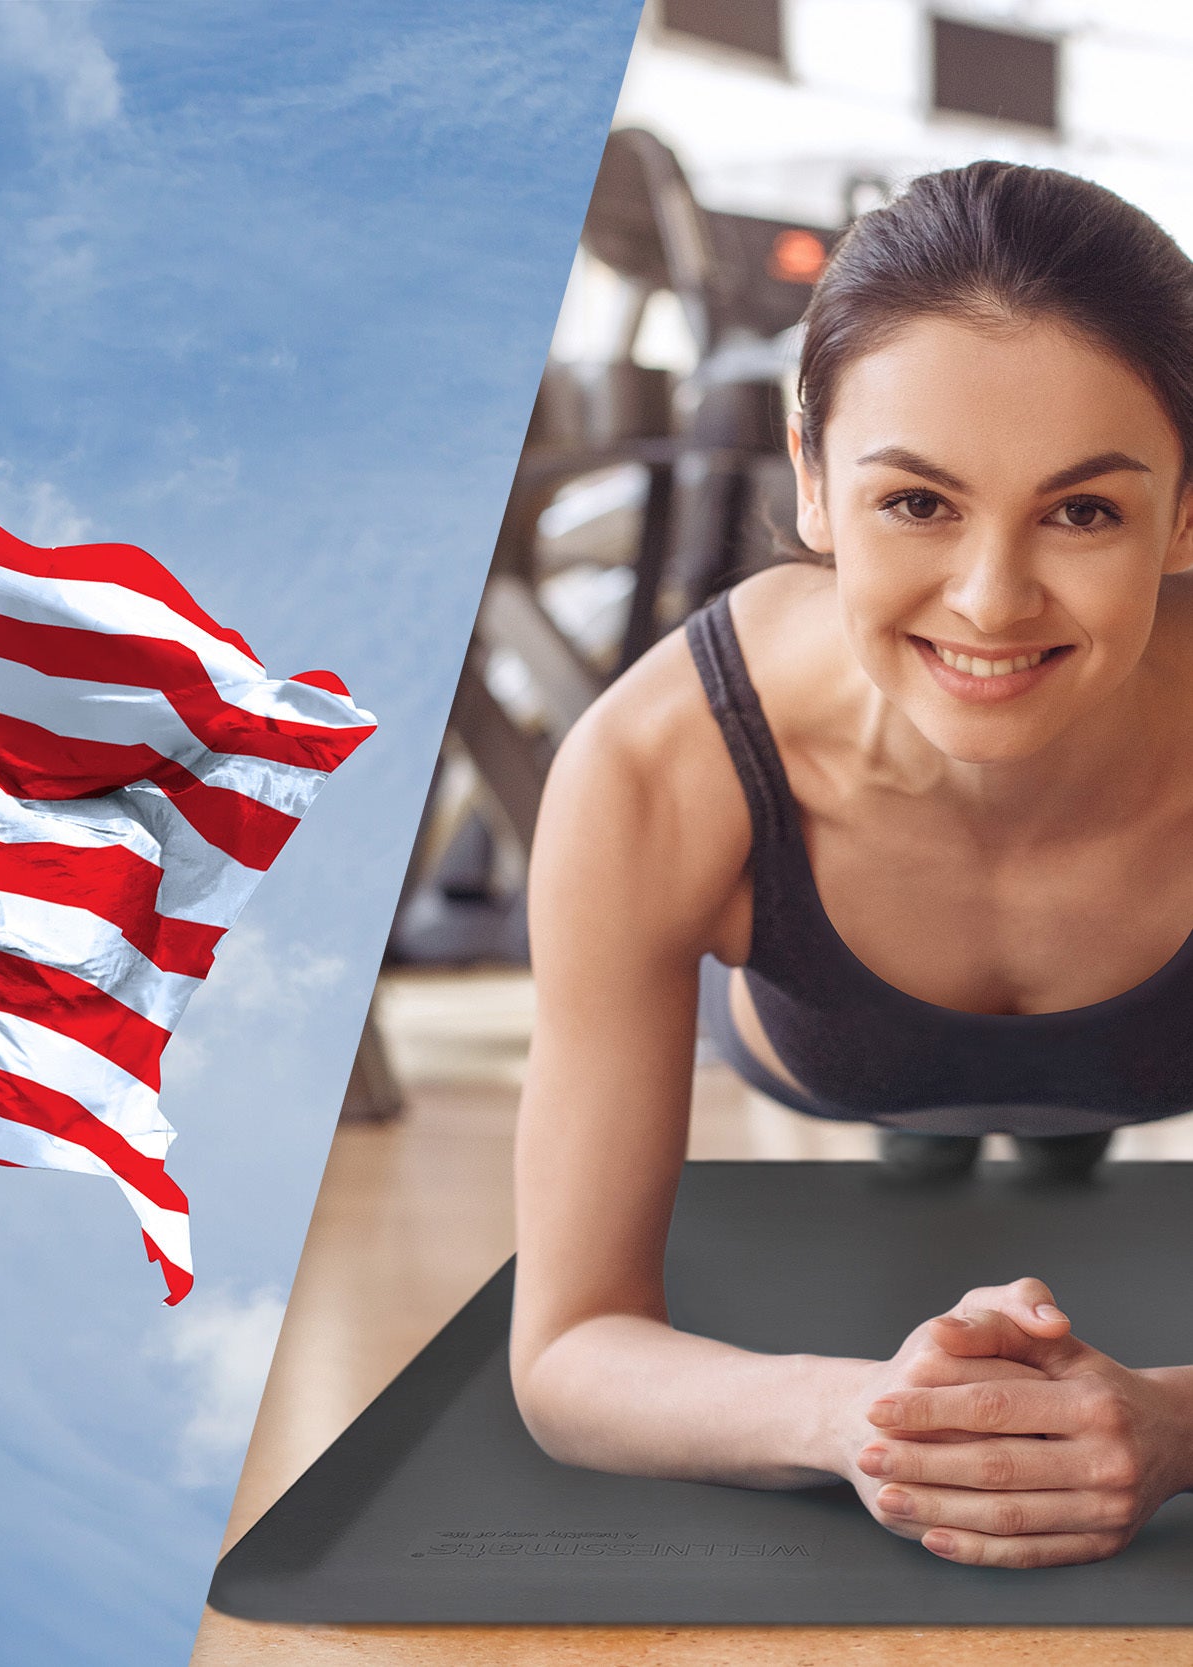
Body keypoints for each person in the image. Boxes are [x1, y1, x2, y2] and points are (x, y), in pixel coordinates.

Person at [510, 161, 1193, 1571]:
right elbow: (568, 1348)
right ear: (813, 476)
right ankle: (948, 1117)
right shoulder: (655, 766)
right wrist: (868, 1418)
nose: (992, 600)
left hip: (1154, 1048)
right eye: (917, 504)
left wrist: (1179, 1425)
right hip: (834, 1044)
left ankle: (1063, 1132)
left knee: (1073, 1151)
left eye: (1084, 512)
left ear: (1187, 515)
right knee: (920, 1128)